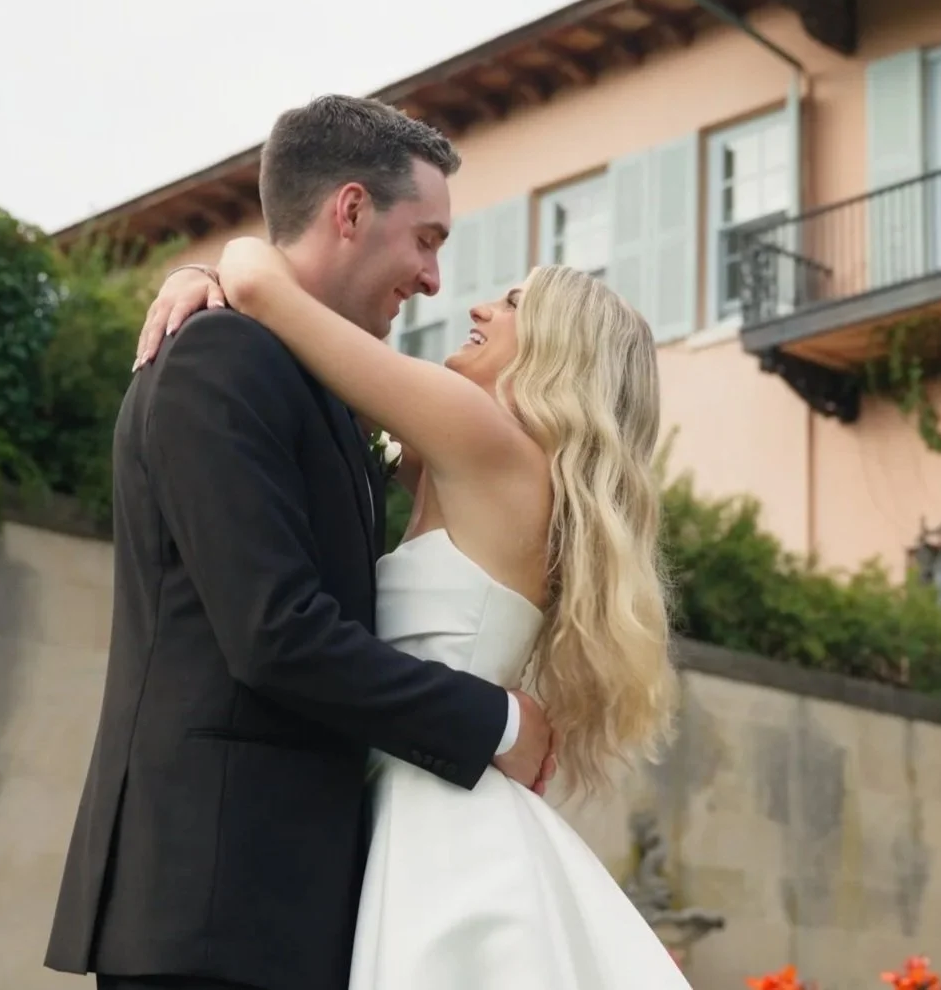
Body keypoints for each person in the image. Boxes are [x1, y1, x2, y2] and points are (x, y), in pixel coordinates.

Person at [125, 100, 690, 988]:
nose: (460, 296)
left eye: (509, 303)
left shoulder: (485, 441)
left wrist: (221, 266)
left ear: (553, 352)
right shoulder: (467, 467)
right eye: (425, 242)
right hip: (415, 802)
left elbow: (273, 290)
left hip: (438, 819)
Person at [45, 95, 566, 990]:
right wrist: (495, 723)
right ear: (353, 210)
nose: (436, 280)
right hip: (214, 901)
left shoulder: (304, 378)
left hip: (285, 908)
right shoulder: (222, 359)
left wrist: (222, 266)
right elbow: (275, 633)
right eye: (427, 240)